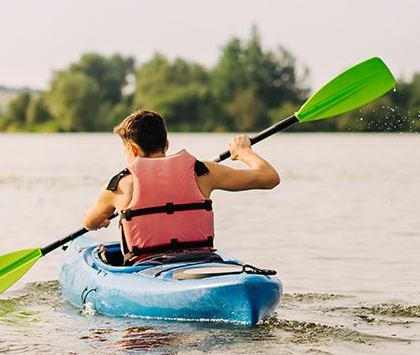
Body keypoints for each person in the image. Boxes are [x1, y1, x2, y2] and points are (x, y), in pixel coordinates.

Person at [82, 109, 280, 265]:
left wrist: (100, 220)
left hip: (148, 269)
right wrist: (243, 151)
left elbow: (89, 222)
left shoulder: (121, 185)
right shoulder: (202, 171)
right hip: (204, 261)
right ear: (166, 144)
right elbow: (269, 178)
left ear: (132, 149)